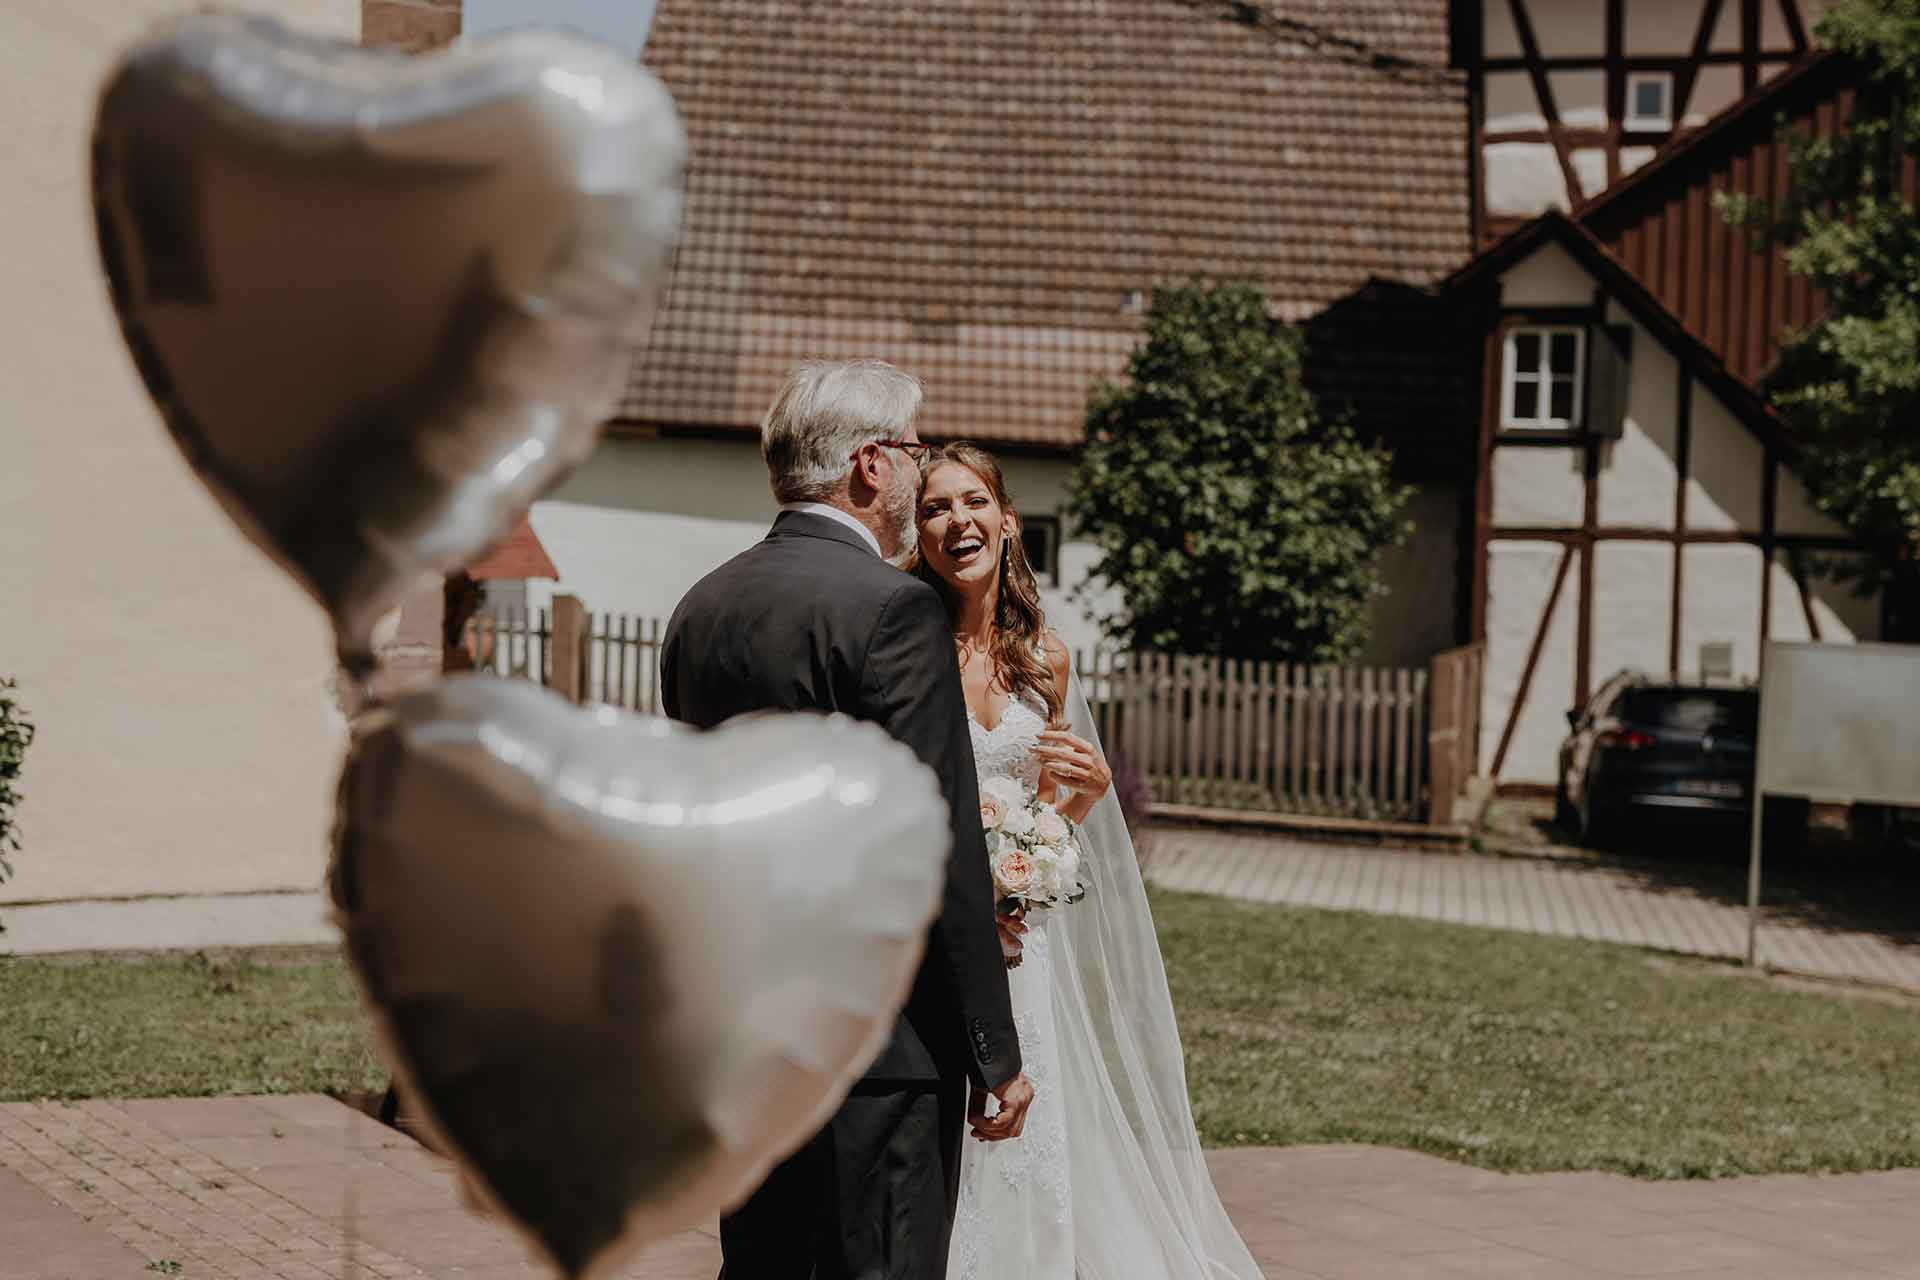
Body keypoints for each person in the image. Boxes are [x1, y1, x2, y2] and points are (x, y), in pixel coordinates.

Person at [660, 361, 1033, 1280]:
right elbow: (935, 847)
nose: (917, 473)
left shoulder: (701, 607)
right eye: (912, 452)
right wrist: (995, 1050)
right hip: (881, 1048)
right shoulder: (893, 610)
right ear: (870, 465)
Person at [913, 442, 1264, 1280]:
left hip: (1021, 944)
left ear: (1008, 522)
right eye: (933, 507)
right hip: (935, 931)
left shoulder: (1046, 660)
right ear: (916, 532)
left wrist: (1079, 802)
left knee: (1030, 1142)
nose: (956, 521)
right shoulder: (906, 645)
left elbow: (1043, 812)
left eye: (972, 502)